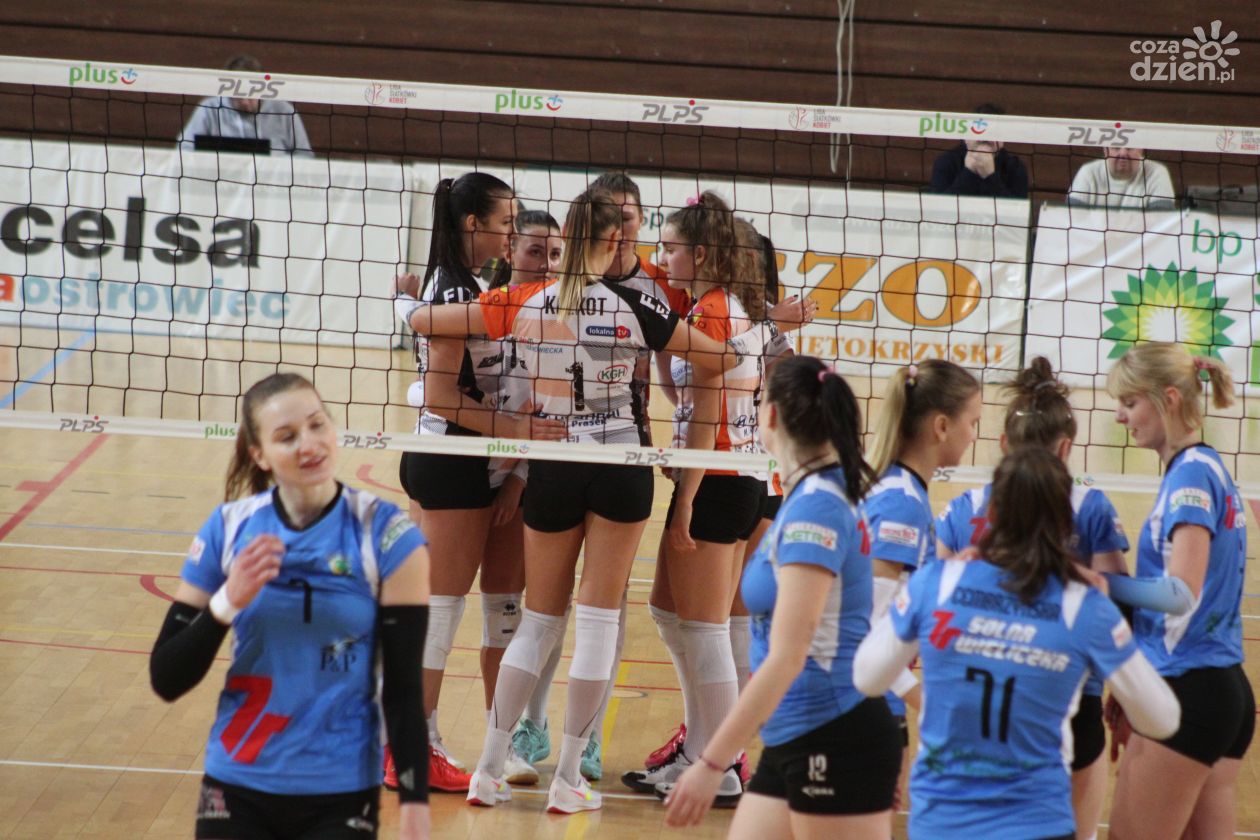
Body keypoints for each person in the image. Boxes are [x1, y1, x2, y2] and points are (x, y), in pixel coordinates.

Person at [400, 185, 815, 815]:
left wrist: (409, 303)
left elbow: (426, 322)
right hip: (622, 467)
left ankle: (488, 768)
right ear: (617, 240)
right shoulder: (638, 306)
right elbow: (720, 356)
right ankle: (570, 776)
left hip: (554, 466)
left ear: (565, 238)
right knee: (597, 622)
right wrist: (766, 325)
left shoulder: (522, 298)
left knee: (539, 622)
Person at [148, 373, 431, 839]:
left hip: (341, 790)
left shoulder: (387, 536)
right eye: (287, 437)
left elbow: (402, 688)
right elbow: (166, 678)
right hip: (237, 781)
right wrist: (226, 601)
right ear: (259, 454)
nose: (309, 445)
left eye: (317, 425)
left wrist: (415, 804)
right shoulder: (229, 529)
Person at [854, 446, 1181, 840]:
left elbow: (867, 677)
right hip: (1038, 825)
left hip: (943, 824)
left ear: (991, 514)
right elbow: (1163, 719)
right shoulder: (1086, 607)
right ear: (1065, 524)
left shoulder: (936, 583)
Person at [663, 355, 902, 839]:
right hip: (793, 730)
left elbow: (790, 654)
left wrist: (711, 762)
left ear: (770, 415)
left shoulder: (817, 508)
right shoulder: (811, 494)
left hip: (833, 731)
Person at [511, 172, 691, 784]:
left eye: (628, 214)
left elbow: (694, 351)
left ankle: (578, 740)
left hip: (615, 448)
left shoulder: (654, 286)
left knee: (593, 610)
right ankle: (537, 726)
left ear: (635, 222)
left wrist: (680, 424)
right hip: (574, 449)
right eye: (610, 215)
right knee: (558, 608)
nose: (620, 223)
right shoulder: (561, 289)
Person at [391, 172, 566, 793]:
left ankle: (502, 741)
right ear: (473, 224)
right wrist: (514, 428)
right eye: (506, 223)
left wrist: (513, 455)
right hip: (452, 461)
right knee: (440, 611)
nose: (511, 233)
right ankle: (414, 745)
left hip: (487, 462)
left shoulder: (472, 288)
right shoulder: (452, 290)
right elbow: (441, 396)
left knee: (501, 609)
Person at [935, 356, 1131, 840]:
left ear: (1004, 444)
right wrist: (1125, 688)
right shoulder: (1091, 507)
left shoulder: (961, 509)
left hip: (974, 700)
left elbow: (931, 602)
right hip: (1070, 698)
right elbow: (1118, 604)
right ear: (1066, 447)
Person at [622, 195, 774, 804]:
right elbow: (686, 397)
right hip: (733, 474)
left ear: (703, 254)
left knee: (705, 630)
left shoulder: (714, 314)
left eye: (672, 249)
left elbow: (707, 414)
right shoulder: (722, 308)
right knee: (669, 610)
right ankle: (701, 747)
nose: (663, 258)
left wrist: (685, 497)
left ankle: (719, 764)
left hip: (719, 477)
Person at [1104, 343, 1253, 839]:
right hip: (1219, 687)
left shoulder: (1190, 475)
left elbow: (1179, 594)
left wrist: (1099, 583)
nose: (1121, 416)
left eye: (1129, 403)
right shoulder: (1207, 467)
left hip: (1187, 688)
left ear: (1167, 398)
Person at [863, 357, 981, 802]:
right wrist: (930, 703)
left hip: (873, 697)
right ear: (942, 426)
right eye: (973, 422)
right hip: (860, 703)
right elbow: (865, 631)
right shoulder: (902, 505)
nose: (975, 434)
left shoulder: (899, 489)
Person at [178, 55, 312, 156]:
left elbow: (304, 156)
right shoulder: (209, 109)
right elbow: (184, 150)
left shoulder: (284, 111)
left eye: (250, 94)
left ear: (262, 88)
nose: (245, 101)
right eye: (238, 96)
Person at [929, 104, 1028, 198]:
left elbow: (1017, 208)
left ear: (1002, 141)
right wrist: (968, 173)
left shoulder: (1015, 167)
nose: (985, 137)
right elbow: (939, 206)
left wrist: (990, 176)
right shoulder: (946, 162)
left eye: (992, 132)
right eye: (979, 130)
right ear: (966, 137)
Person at [1067, 147, 1175, 209]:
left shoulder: (1156, 172)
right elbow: (1072, 219)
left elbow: (1161, 223)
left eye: (1130, 148)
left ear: (1141, 150)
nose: (1123, 153)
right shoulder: (1089, 172)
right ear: (1105, 150)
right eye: (1116, 147)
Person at [508, 209, 563, 285]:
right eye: (536, 252)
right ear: (510, 254)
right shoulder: (494, 293)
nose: (547, 266)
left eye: (554, 254)